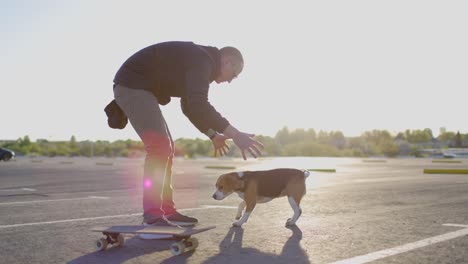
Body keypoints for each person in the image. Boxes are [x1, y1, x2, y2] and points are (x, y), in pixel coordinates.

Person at [112, 41, 263, 231]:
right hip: (132, 85)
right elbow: (199, 104)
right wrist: (235, 134)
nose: (231, 80)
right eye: (234, 74)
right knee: (159, 147)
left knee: (166, 148)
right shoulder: (202, 60)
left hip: (140, 87)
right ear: (228, 62)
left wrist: (212, 134)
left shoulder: (202, 64)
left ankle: (166, 210)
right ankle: (152, 216)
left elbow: (189, 106)